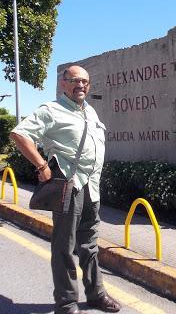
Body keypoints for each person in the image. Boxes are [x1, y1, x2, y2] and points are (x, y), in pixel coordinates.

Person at [10, 65, 121, 314]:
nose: (80, 85)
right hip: (69, 187)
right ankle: (67, 302)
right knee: (64, 247)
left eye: (85, 81)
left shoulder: (90, 112)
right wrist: (41, 165)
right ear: (63, 84)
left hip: (92, 188)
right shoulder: (51, 110)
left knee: (90, 245)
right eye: (74, 81)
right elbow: (19, 134)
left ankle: (96, 294)